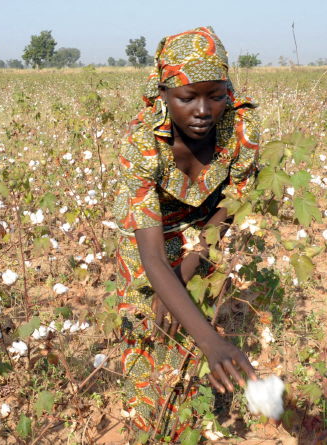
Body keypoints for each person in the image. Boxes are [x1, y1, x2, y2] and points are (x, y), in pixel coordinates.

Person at [112, 26, 262, 439]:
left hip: (207, 230)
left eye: (215, 95)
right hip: (148, 235)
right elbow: (153, 259)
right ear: (163, 94)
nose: (203, 110)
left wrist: (191, 266)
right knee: (149, 323)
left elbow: (234, 200)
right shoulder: (142, 145)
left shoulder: (240, 128)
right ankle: (148, 426)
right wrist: (214, 342)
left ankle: (190, 419)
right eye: (187, 97)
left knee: (190, 323)